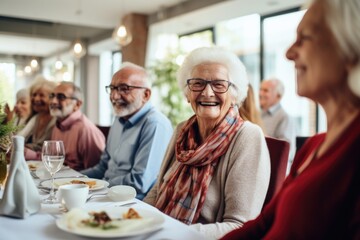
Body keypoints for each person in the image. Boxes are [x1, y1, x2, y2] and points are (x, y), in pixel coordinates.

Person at [221, 0, 360, 239]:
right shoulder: (313, 146)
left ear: (350, 46)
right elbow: (262, 225)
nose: (288, 53)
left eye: (304, 38)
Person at [143, 47, 271, 239]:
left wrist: (173, 233)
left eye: (219, 84)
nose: (207, 92)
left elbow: (241, 226)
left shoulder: (247, 136)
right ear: (187, 94)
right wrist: (137, 220)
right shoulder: (182, 130)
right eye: (198, 84)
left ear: (234, 95)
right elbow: (158, 189)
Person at [81, 62, 173, 200]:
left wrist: (96, 187)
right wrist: (75, 179)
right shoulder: (119, 119)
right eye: (112, 88)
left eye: (124, 89)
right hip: (105, 194)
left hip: (131, 203)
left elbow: (139, 182)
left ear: (146, 95)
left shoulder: (155, 124)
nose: (115, 96)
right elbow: (102, 167)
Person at [49, 82, 105, 171]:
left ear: (77, 104)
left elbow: (97, 173)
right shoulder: (57, 125)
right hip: (58, 178)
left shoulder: (86, 130)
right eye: (52, 96)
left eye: (61, 97)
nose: (53, 101)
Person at [259, 78, 296, 171]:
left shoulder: (285, 118)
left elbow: (285, 152)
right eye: (260, 89)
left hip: (274, 169)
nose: (260, 93)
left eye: (265, 90)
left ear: (278, 96)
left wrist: (260, 137)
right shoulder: (258, 114)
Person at [17, 76, 57, 160]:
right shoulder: (36, 118)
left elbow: (54, 152)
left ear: (52, 98)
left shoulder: (56, 121)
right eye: (34, 95)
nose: (36, 98)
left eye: (41, 95)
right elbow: (19, 138)